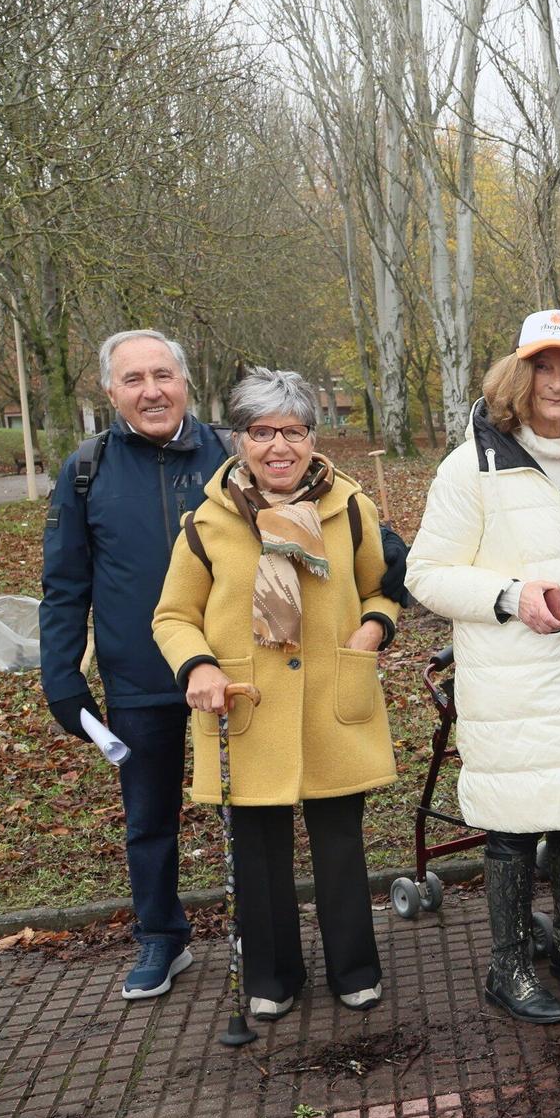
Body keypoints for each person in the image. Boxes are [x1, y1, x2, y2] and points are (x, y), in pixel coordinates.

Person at [408, 309, 560, 1023]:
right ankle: (508, 964)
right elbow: (426, 573)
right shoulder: (473, 466)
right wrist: (513, 596)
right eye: (543, 367)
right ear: (517, 375)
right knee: (516, 823)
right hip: (514, 678)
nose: (556, 382)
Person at [151, 368, 398, 1019]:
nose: (278, 445)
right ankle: (272, 974)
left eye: (292, 429)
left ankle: (355, 968)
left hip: (331, 706)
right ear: (240, 439)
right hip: (245, 708)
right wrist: (197, 666)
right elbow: (172, 615)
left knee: (340, 848)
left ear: (314, 438)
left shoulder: (349, 507)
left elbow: (380, 586)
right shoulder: (206, 522)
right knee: (258, 855)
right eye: (262, 431)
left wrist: (373, 629)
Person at [41, 329, 232, 1001]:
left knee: (247, 809)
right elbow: (65, 583)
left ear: (184, 380)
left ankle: (258, 929)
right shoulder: (86, 469)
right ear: (110, 390)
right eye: (133, 379)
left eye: (162, 374)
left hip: (226, 674)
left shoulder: (232, 457)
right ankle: (161, 935)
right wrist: (62, 676)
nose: (151, 390)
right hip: (137, 679)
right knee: (148, 816)